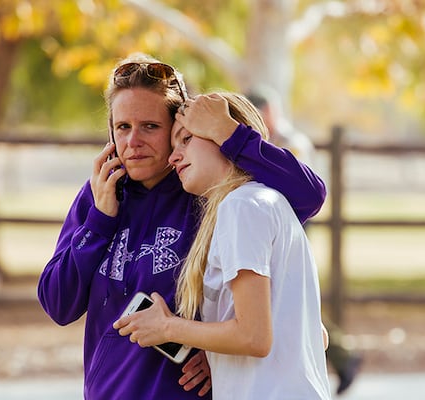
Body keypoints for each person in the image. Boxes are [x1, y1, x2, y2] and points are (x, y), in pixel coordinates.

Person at [37, 53, 327, 400]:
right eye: (122, 127)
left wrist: (230, 136)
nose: (133, 142)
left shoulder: (204, 192)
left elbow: (310, 195)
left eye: (150, 126)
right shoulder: (100, 193)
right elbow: (58, 304)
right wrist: (100, 220)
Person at [113, 92, 333, 399]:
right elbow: (315, 337)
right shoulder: (265, 202)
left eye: (186, 139)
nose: (173, 156)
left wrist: (167, 328)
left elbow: (254, 337)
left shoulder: (241, 206)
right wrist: (216, 349)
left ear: (222, 137)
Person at [247, 86, 363, 395]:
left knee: (287, 295)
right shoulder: (266, 142)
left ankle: (339, 355)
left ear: (270, 112)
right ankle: (343, 356)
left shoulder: (290, 143)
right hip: (267, 226)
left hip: (291, 226)